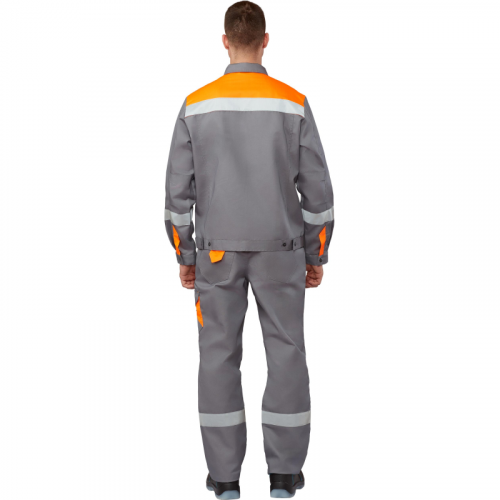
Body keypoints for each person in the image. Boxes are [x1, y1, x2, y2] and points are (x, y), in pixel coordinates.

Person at [164, 2, 334, 498]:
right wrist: (316, 254)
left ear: (224, 41)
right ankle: (284, 477)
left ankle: (224, 481)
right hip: (283, 251)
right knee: (286, 353)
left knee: (217, 356)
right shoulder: (293, 103)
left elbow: (177, 196)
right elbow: (318, 192)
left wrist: (186, 256)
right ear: (265, 40)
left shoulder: (196, 105)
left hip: (216, 255)